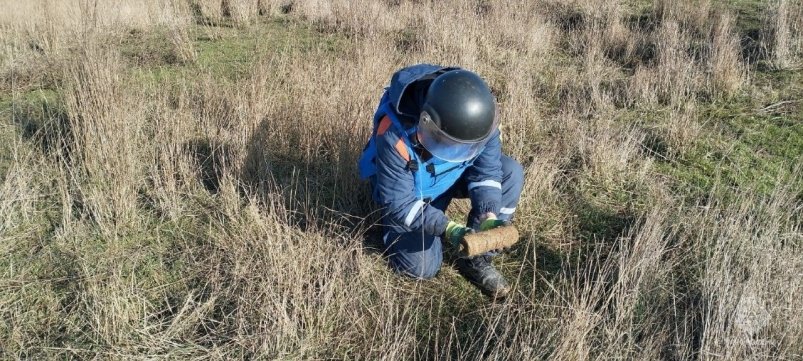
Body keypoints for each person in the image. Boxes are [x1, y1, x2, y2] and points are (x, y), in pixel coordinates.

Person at [358, 64, 524, 298]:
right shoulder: (393, 133)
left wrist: (489, 215)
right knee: (421, 269)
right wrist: (447, 227)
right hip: (411, 195)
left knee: (511, 172)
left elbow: (487, 171)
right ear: (427, 122)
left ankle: (477, 259)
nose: (457, 152)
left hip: (449, 179)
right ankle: (391, 232)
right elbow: (400, 202)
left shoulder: (483, 121)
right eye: (449, 143)